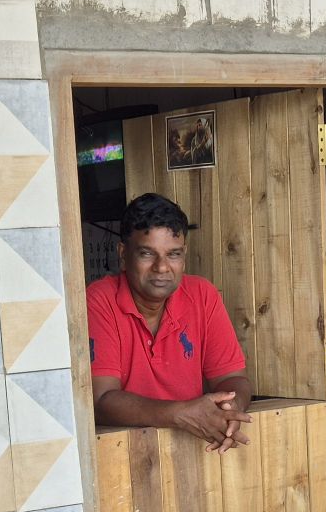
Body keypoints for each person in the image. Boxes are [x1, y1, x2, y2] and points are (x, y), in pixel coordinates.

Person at [87, 193, 253, 452]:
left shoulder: (202, 295)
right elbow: (100, 401)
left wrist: (229, 410)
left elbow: (232, 378)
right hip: (123, 456)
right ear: (123, 254)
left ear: (183, 256)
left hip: (194, 454)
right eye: (147, 253)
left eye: (173, 254)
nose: (162, 267)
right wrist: (181, 414)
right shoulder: (99, 300)